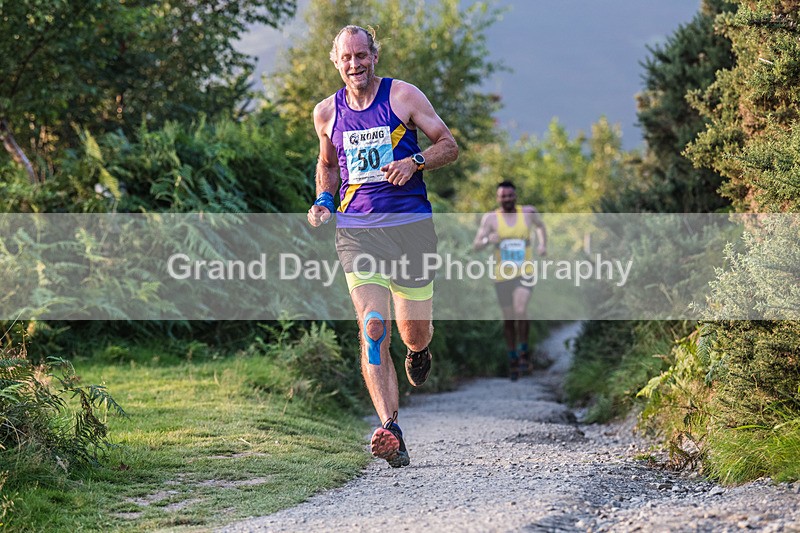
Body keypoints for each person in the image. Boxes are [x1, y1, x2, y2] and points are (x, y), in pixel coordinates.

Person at [307, 25, 458, 468]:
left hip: (411, 228)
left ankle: (418, 350)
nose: (355, 64)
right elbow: (328, 165)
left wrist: (414, 162)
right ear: (335, 61)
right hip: (356, 231)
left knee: (413, 331)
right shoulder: (325, 113)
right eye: (346, 58)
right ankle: (391, 429)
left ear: (374, 56)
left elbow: (448, 145)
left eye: (362, 55)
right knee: (374, 326)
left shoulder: (403, 97)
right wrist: (322, 199)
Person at [473, 181, 548, 381]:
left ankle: (524, 351)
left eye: (510, 195)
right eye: (502, 196)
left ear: (515, 196)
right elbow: (477, 244)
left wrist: (542, 245)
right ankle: (512, 355)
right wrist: (490, 240)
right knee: (508, 318)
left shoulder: (528, 213)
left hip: (525, 271)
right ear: (498, 198)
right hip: (502, 275)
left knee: (520, 309)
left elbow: (540, 227)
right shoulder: (490, 218)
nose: (506, 199)